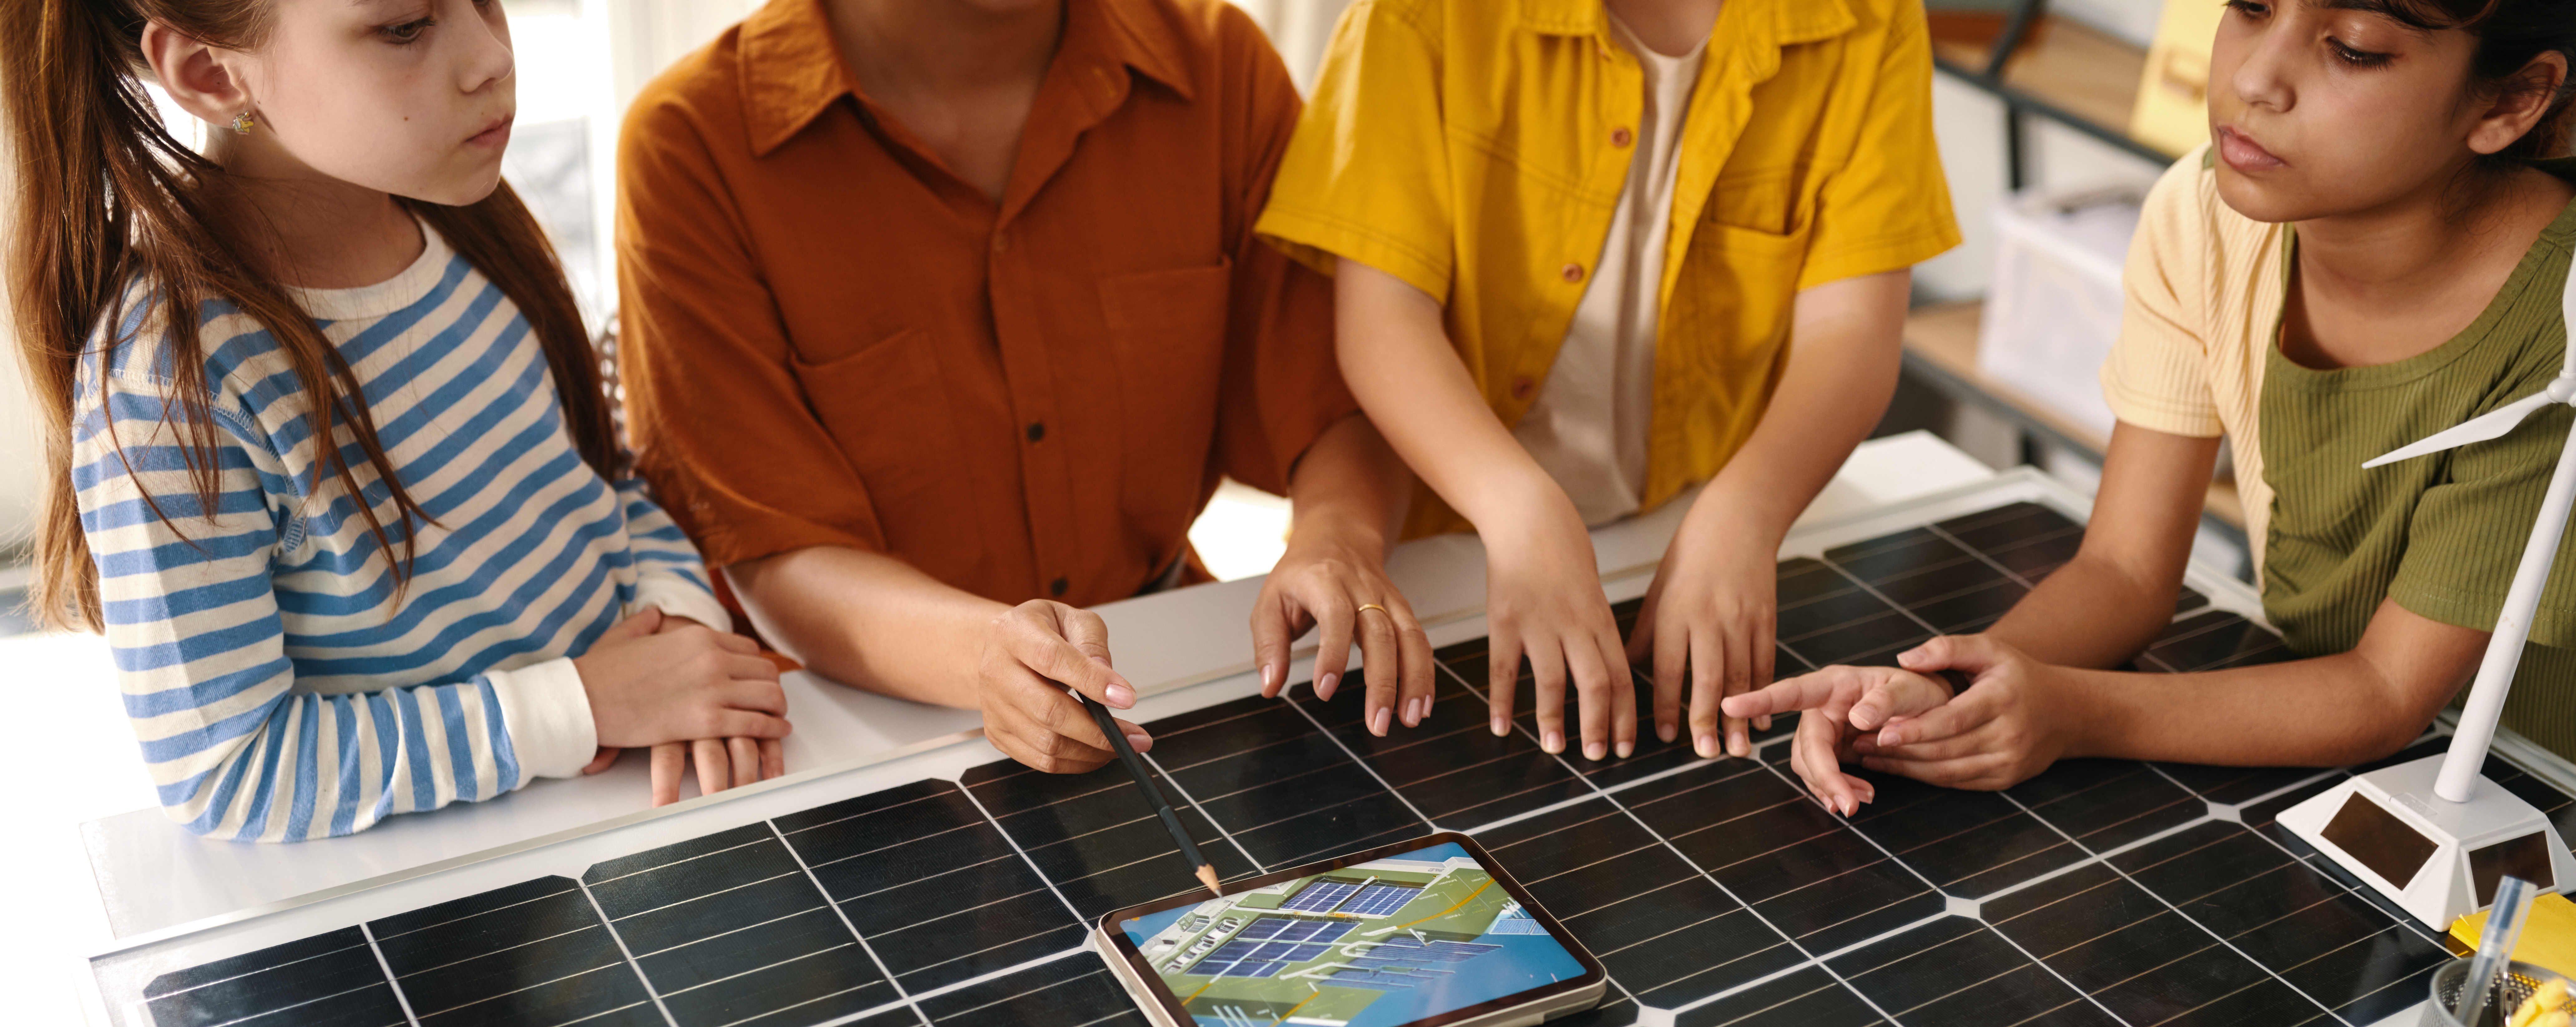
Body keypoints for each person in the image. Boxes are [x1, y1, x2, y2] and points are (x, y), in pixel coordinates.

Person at [1729, 0, 2576, 817]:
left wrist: (2074, 713)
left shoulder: (2561, 321)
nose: (2255, 79)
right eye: (2249, 6)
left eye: (2351, 48)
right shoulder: (2205, 216)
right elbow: (2125, 572)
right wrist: (1946, 692)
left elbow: (2387, 691)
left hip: (2531, 785)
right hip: (2326, 739)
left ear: (2510, 101)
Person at [4, 0, 789, 841]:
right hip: (458, 889)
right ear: (209, 74)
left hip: (631, 805)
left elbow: (603, 482)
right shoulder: (173, 379)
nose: (492, 56)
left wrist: (680, 634)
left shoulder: (463, 215)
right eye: (406, 28)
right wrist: (585, 706)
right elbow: (228, 772)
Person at [615, 0, 1425, 775]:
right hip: (848, 727)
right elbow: (777, 551)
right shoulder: (690, 148)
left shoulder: (1219, 67)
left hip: (1156, 678)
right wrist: (986, 656)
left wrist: (1337, 537)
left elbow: (1338, 394)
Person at [1250, 0, 1960, 763]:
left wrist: (1747, 514)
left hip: (1704, 519)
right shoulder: (1417, 15)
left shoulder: (1871, 18)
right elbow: (1382, 318)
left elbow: (1850, 330)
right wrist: (1517, 509)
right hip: (1450, 542)